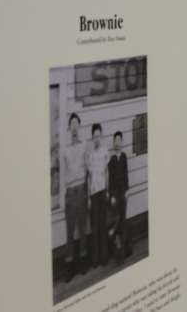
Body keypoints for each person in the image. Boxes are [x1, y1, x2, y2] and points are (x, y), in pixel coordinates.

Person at [61, 113, 88, 280]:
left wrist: (87, 192)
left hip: (82, 190)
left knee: (83, 230)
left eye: (77, 124)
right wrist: (63, 197)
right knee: (70, 231)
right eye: (72, 124)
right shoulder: (65, 149)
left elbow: (87, 168)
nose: (74, 127)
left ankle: (83, 262)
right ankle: (69, 267)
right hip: (70, 192)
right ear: (69, 127)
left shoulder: (84, 145)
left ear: (79, 126)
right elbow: (63, 173)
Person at [86, 123, 110, 268]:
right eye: (94, 136)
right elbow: (88, 178)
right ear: (92, 137)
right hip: (94, 194)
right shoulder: (90, 155)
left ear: (101, 136)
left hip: (103, 193)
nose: (96, 139)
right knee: (94, 227)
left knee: (103, 224)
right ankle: (95, 260)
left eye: (98, 136)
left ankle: (104, 257)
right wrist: (88, 197)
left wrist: (107, 190)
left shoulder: (105, 152)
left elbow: (107, 172)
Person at [107, 131, 130, 263]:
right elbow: (110, 179)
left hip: (123, 192)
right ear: (113, 142)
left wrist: (127, 190)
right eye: (115, 140)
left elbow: (126, 174)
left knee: (123, 220)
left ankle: (124, 250)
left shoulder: (124, 157)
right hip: (115, 194)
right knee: (116, 220)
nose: (117, 142)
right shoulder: (112, 159)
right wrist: (111, 195)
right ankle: (117, 250)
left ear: (121, 142)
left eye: (119, 140)